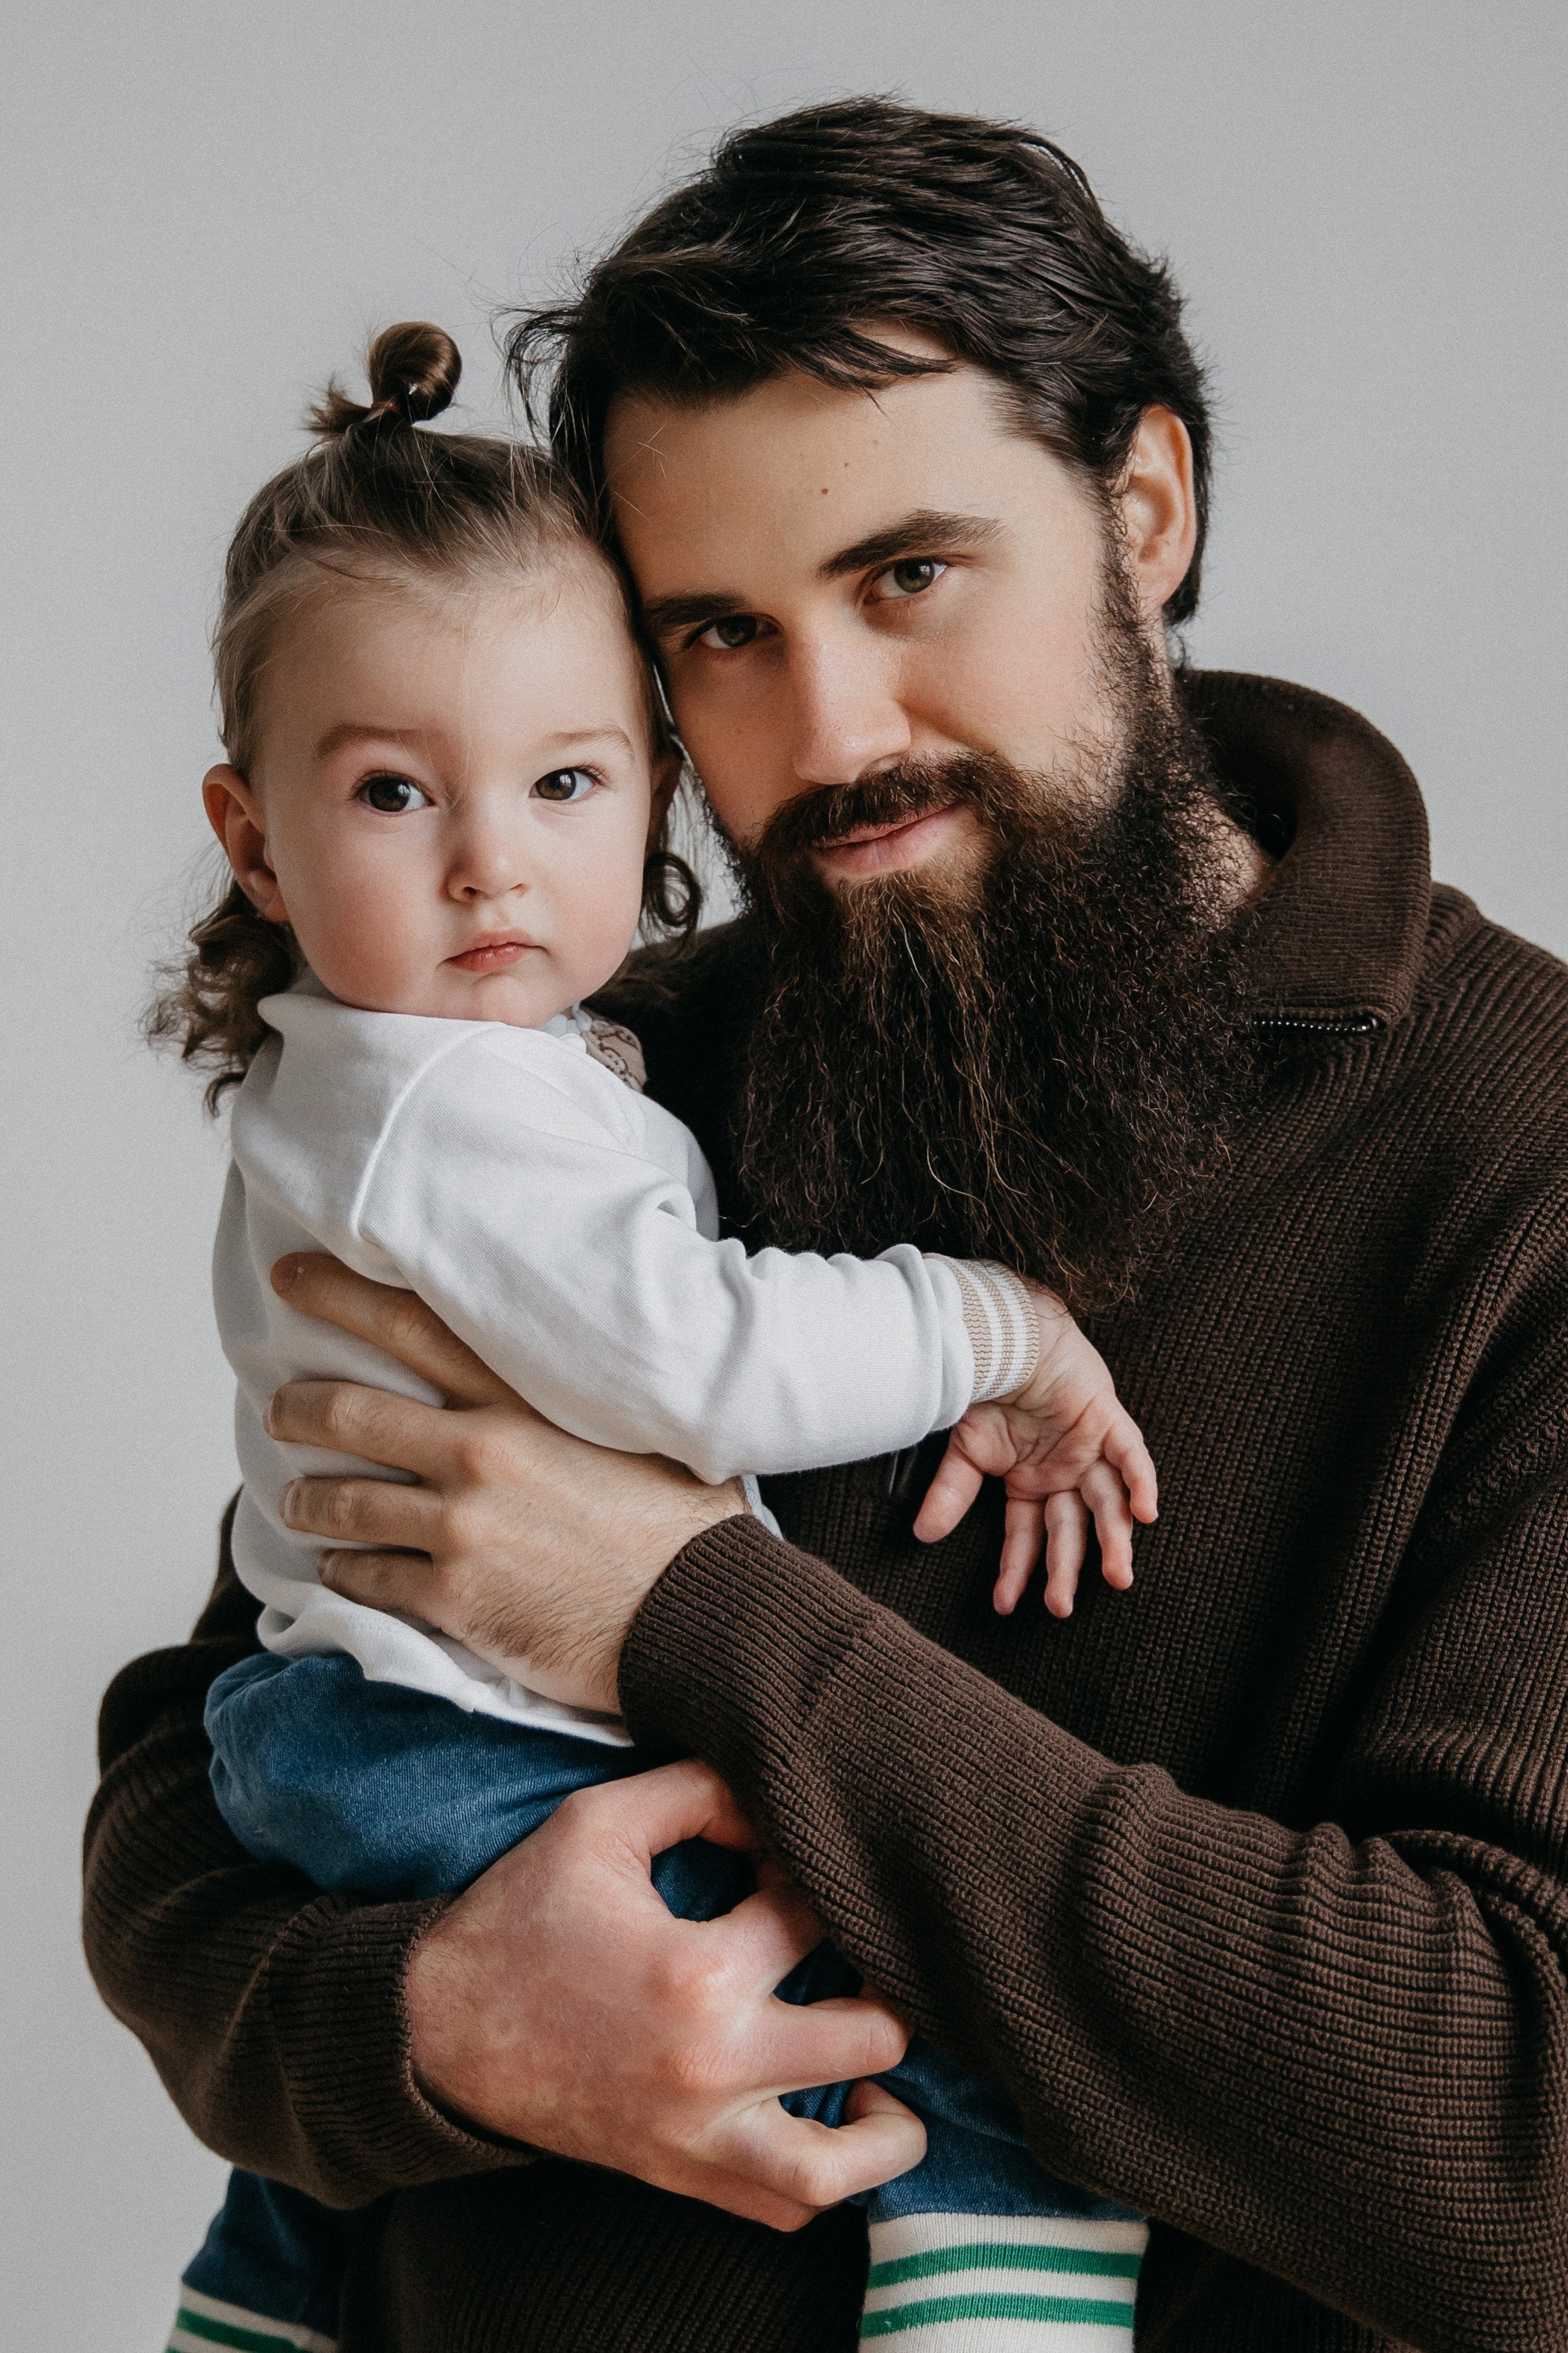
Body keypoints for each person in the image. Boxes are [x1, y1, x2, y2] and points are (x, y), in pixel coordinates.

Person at [85, 97, 1568, 2353]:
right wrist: (435, 2023)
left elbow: (1520, 2148)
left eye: (908, 576)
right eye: (721, 635)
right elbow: (198, 1799)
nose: (833, 726)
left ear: (1142, 508)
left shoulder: (1524, 1147)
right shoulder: (582, 1066)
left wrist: (691, 1612)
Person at [154, 316, 1156, 2353]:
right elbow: (695, 1360)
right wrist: (996, 1325)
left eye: (563, 780)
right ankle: (999, 2286)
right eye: (392, 791)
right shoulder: (462, 1097)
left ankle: (258, 2297)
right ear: (254, 836)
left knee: (363, 2124)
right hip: (450, 1729)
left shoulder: (403, 1066)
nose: (488, 858)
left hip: (332, 1718)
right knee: (909, 1975)